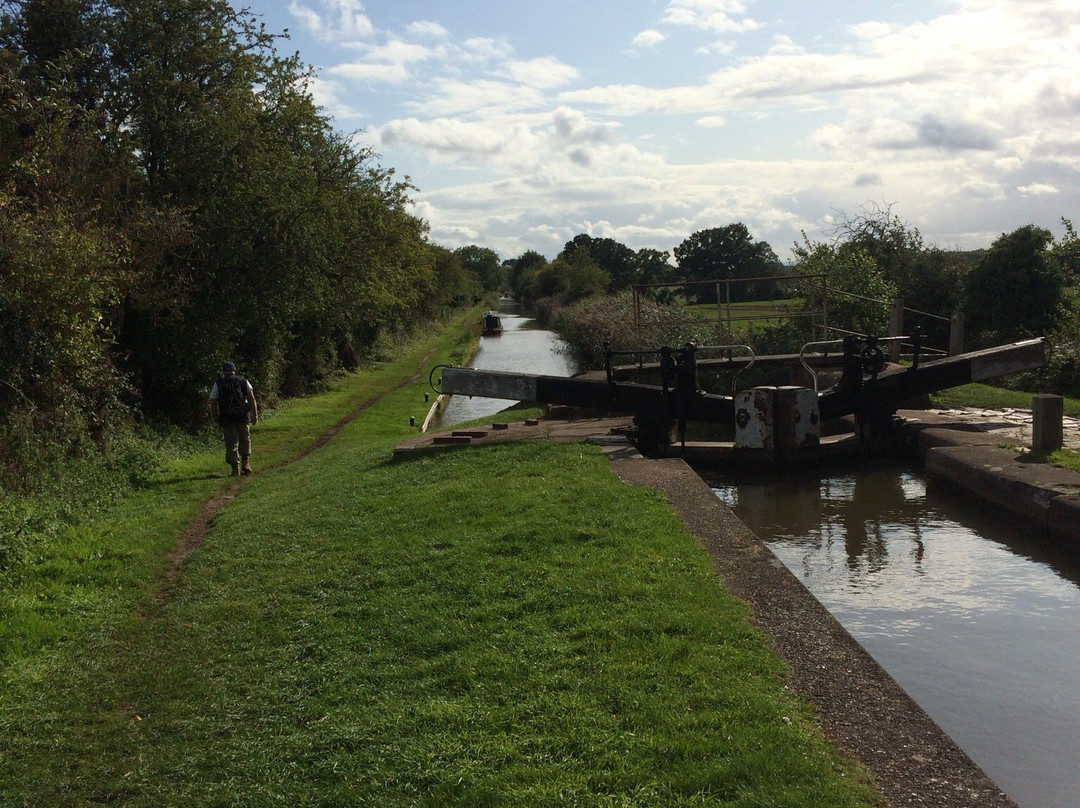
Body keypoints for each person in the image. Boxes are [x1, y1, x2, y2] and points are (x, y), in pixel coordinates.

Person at [208, 361, 258, 476]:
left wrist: (215, 414)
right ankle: (246, 463)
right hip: (243, 416)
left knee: (231, 442)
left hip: (227, 417)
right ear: (234, 370)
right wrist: (255, 414)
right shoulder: (242, 381)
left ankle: (235, 468)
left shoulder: (219, 383)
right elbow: (252, 398)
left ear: (224, 371)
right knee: (245, 438)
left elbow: (212, 400)